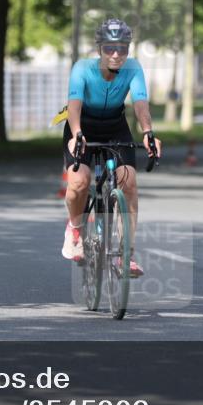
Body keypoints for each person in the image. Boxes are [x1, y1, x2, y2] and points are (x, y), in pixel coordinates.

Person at [61, 18, 162, 277]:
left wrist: (148, 132)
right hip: (82, 127)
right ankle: (75, 229)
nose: (116, 54)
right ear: (100, 49)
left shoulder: (133, 68)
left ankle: (126, 256)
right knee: (79, 182)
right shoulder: (82, 68)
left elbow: (140, 103)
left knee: (129, 184)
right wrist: (76, 133)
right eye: (109, 48)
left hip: (116, 127)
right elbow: (74, 104)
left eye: (122, 48)